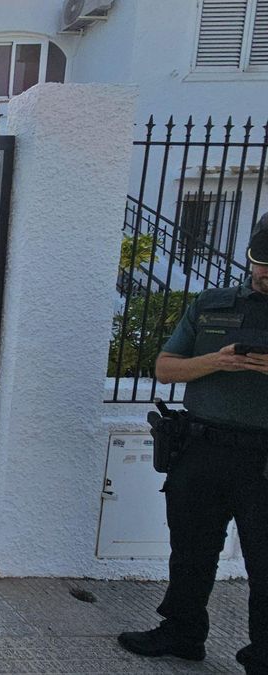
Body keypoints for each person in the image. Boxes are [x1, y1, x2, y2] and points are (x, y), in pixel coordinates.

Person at [118, 227, 268, 674]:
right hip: (201, 448)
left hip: (264, 458)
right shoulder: (212, 304)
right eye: (264, 265)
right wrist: (219, 361)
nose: (267, 275)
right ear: (251, 258)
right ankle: (182, 633)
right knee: (190, 550)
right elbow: (166, 369)